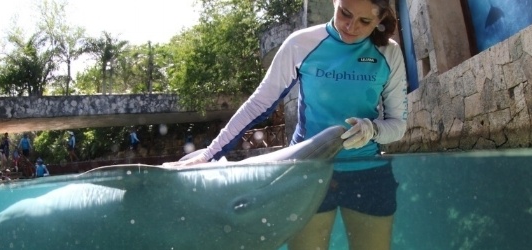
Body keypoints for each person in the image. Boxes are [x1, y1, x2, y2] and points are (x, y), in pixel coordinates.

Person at [164, 0, 407, 249]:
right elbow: (258, 105)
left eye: (364, 21)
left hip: (368, 173)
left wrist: (373, 129)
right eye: (345, 12)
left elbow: (398, 125)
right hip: (306, 175)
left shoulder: (389, 52)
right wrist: (209, 155)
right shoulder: (301, 43)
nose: (350, 25)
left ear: (379, 20)